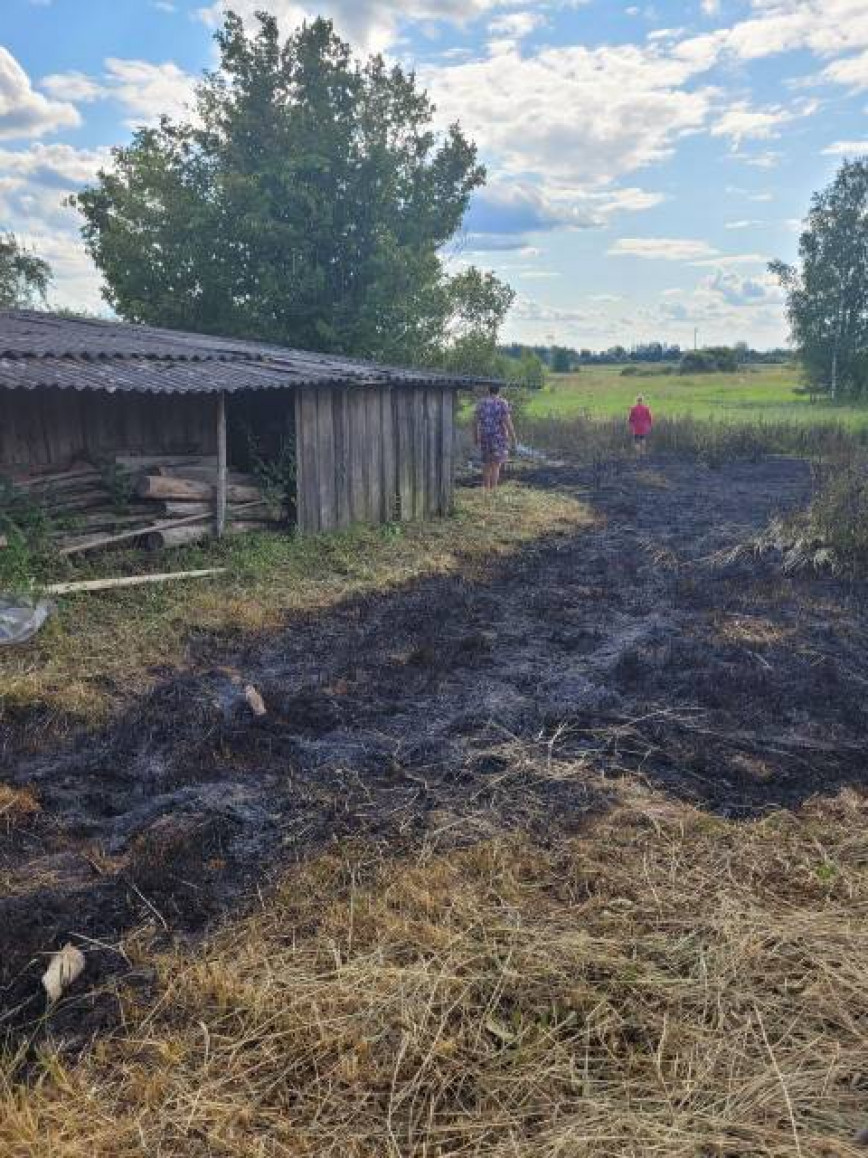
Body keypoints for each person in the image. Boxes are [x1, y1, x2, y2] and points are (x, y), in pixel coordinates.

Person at [474, 383, 516, 495]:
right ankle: (493, 490)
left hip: (485, 436)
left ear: (489, 390)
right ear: (499, 391)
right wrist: (513, 437)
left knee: (486, 463)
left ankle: (486, 489)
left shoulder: (481, 403)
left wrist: (476, 436)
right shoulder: (502, 403)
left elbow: (476, 422)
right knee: (496, 464)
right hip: (498, 438)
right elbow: (507, 422)